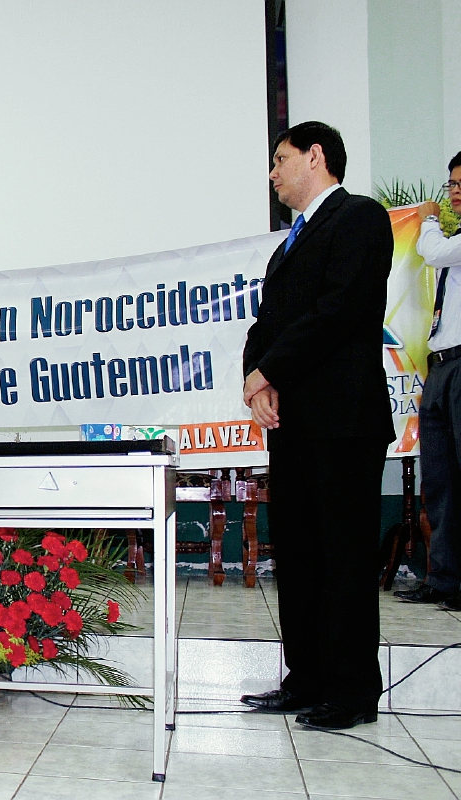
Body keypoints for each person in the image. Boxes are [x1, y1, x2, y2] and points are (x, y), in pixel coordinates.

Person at [239, 122, 395, 730]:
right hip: (293, 422)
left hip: (343, 422)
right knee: (300, 556)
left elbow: (339, 310)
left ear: (316, 155)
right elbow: (264, 325)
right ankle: (304, 679)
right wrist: (258, 376)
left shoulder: (358, 218)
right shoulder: (286, 247)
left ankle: (352, 692)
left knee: (344, 558)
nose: (273, 174)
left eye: (280, 160)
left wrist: (269, 370)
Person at [395, 152, 461, 611]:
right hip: (442, 367)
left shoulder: (447, 240)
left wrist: (428, 219)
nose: (454, 191)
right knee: (440, 482)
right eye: (452, 183)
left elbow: (432, 251)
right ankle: (445, 580)